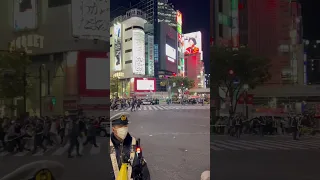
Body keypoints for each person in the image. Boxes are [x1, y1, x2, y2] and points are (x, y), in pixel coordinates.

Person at [110, 112, 150, 180]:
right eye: (120, 126)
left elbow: (142, 166)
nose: (123, 129)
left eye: (125, 126)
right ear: (113, 129)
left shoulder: (134, 143)